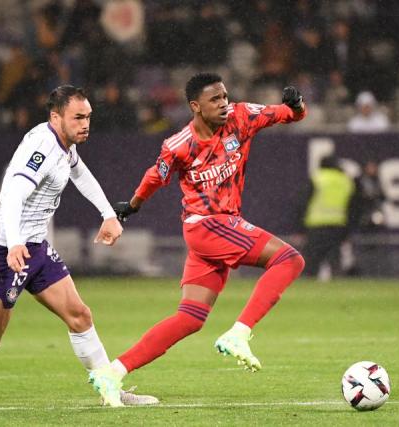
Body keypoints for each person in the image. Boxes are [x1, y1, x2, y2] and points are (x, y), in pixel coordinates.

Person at [0, 85, 158, 407]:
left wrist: (108, 214)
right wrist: (14, 244)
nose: (85, 124)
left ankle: (110, 391)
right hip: (7, 252)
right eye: (78, 118)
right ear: (55, 117)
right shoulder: (42, 147)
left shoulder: (64, 145)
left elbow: (81, 174)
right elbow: (14, 194)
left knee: (80, 316)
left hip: (36, 249)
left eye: (88, 117)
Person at [88, 73, 307, 405]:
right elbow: (155, 176)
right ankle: (239, 333)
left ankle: (112, 373)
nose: (224, 104)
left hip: (215, 229)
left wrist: (297, 105)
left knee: (189, 318)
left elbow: (289, 115)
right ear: (195, 106)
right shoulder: (179, 145)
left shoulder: (242, 117)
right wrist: (132, 206)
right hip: (208, 225)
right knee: (290, 259)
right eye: (214, 99)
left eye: (225, 96)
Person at [300, 155, 356, 280]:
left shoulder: (317, 178)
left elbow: (304, 202)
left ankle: (309, 282)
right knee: (334, 257)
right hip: (338, 224)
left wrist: (300, 226)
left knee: (312, 258)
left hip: (316, 224)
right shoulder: (345, 181)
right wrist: (349, 227)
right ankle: (337, 282)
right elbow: (353, 206)